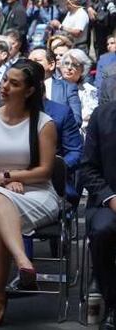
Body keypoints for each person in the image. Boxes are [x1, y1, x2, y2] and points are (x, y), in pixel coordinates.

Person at [0, 59, 60, 327]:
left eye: (14, 83)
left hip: (37, 193)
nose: (5, 86)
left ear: (29, 91)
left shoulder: (44, 123)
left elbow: (45, 171)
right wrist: (1, 183)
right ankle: (23, 260)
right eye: (5, 80)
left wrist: (7, 176)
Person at [81, 100, 116, 330]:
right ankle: (113, 304)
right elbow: (87, 168)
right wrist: (111, 198)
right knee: (103, 230)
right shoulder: (102, 116)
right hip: (109, 201)